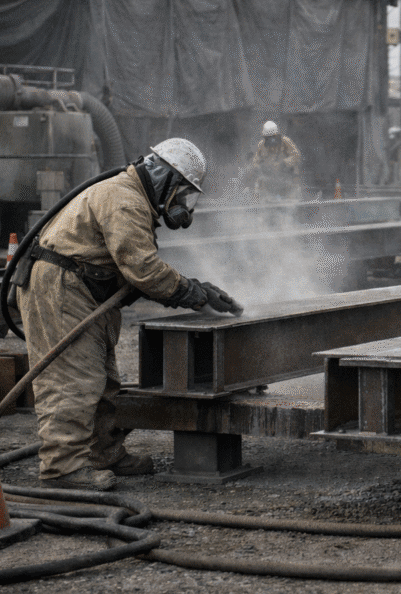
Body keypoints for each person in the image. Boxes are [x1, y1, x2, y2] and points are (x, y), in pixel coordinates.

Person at [16, 138, 242, 491]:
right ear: (165, 178)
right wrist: (194, 293)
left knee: (104, 381)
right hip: (64, 288)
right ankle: (62, 469)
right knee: (73, 380)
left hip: (86, 288)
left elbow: (133, 269)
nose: (183, 205)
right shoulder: (125, 199)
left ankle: (103, 454)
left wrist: (196, 287)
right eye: (183, 193)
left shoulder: (132, 197)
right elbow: (144, 269)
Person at [251, 120, 302, 199]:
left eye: (273, 137)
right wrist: (258, 168)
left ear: (277, 135)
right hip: (269, 178)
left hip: (286, 175)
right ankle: (260, 203)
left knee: (293, 186)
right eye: (268, 138)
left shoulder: (285, 141)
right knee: (259, 181)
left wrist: (284, 163)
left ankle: (293, 199)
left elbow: (296, 155)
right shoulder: (261, 145)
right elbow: (256, 160)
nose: (272, 140)